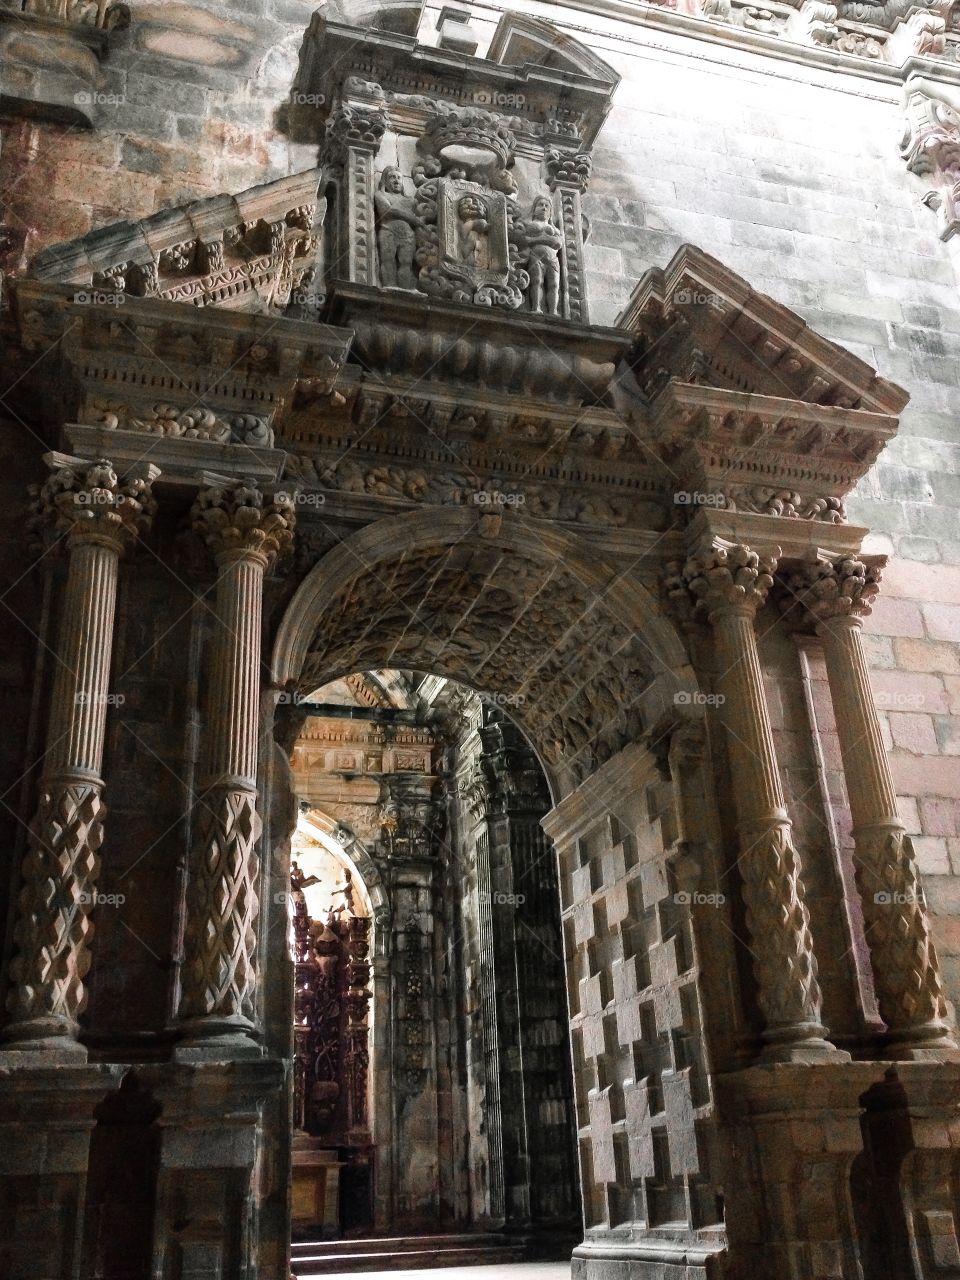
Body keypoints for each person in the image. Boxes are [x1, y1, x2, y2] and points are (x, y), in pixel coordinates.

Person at [375, 167, 418, 289]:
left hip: (408, 235)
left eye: (399, 177)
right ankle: (390, 286)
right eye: (392, 177)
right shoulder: (381, 195)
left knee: (406, 264)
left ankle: (406, 289)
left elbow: (417, 217)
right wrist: (408, 216)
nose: (396, 180)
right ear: (385, 181)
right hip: (388, 231)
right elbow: (386, 210)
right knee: (388, 261)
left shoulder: (411, 200)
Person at [522, 194, 562, 316]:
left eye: (547, 206)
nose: (544, 208)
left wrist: (540, 239)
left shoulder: (554, 229)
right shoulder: (528, 224)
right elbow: (524, 240)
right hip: (536, 255)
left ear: (550, 212)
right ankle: (536, 307)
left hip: (553, 258)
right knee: (537, 281)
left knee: (554, 285)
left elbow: (558, 243)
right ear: (534, 209)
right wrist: (545, 239)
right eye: (541, 205)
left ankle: (553, 311)